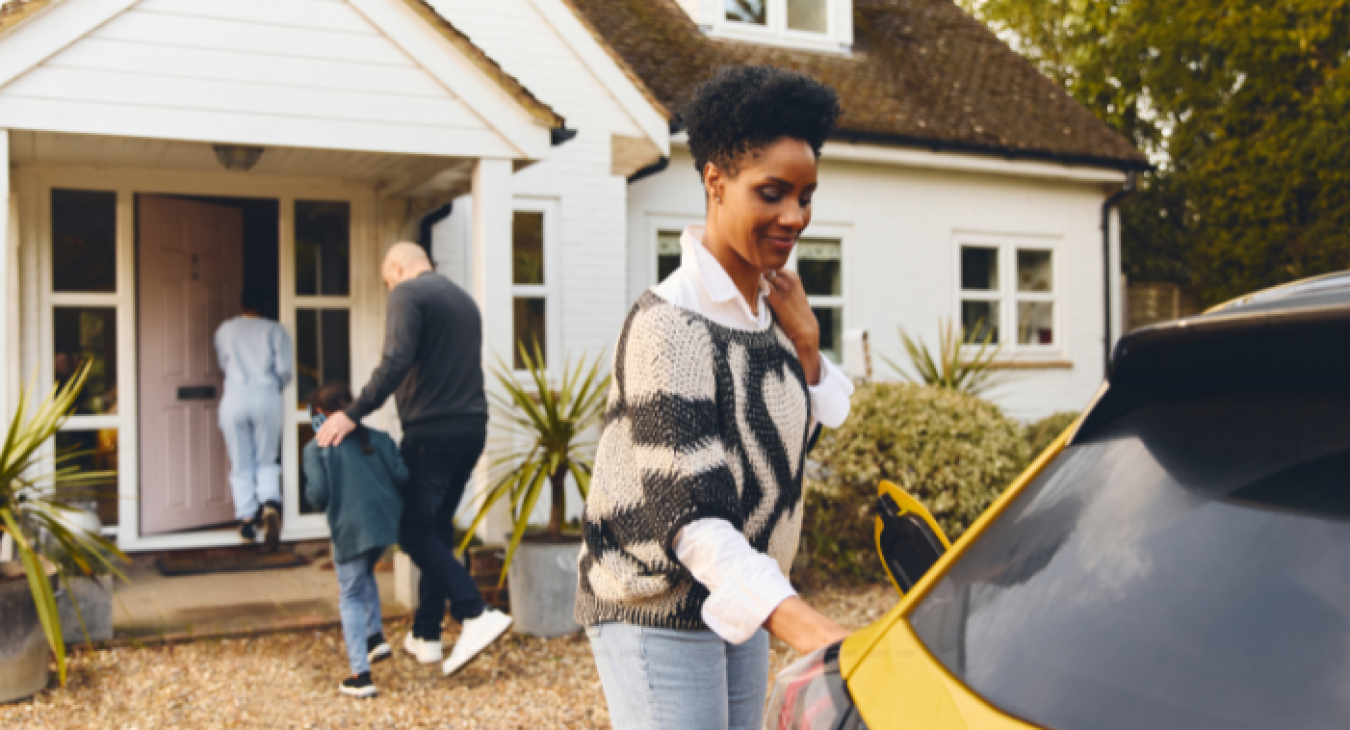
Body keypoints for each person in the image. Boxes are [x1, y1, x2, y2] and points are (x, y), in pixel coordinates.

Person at [575, 65, 854, 729]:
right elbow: (692, 517)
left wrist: (808, 347)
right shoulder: (668, 325)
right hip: (658, 604)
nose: (795, 216)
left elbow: (802, 435)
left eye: (806, 196)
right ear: (715, 182)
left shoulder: (769, 312)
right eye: (773, 192)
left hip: (739, 600)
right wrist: (812, 629)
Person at [314, 242, 512, 676]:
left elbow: (395, 360)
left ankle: (475, 613)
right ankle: (426, 635)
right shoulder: (462, 300)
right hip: (471, 428)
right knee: (438, 529)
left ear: (398, 268)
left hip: (432, 433)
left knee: (413, 530)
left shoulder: (407, 293)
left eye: (388, 281)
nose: (390, 290)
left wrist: (351, 414)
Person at [304, 382, 407, 698]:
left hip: (349, 527)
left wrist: (311, 495)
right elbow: (403, 476)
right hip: (383, 527)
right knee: (364, 575)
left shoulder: (316, 448)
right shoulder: (378, 438)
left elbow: (318, 496)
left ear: (321, 416)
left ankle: (360, 675)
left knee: (349, 594)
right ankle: (375, 637)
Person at [215, 286, 292, 549]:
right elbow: (284, 370)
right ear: (267, 305)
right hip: (265, 396)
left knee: (241, 460)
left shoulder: (226, 329)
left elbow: (223, 363)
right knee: (266, 457)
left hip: (235, 398)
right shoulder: (275, 331)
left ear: (241, 302)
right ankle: (270, 503)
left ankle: (247, 520)